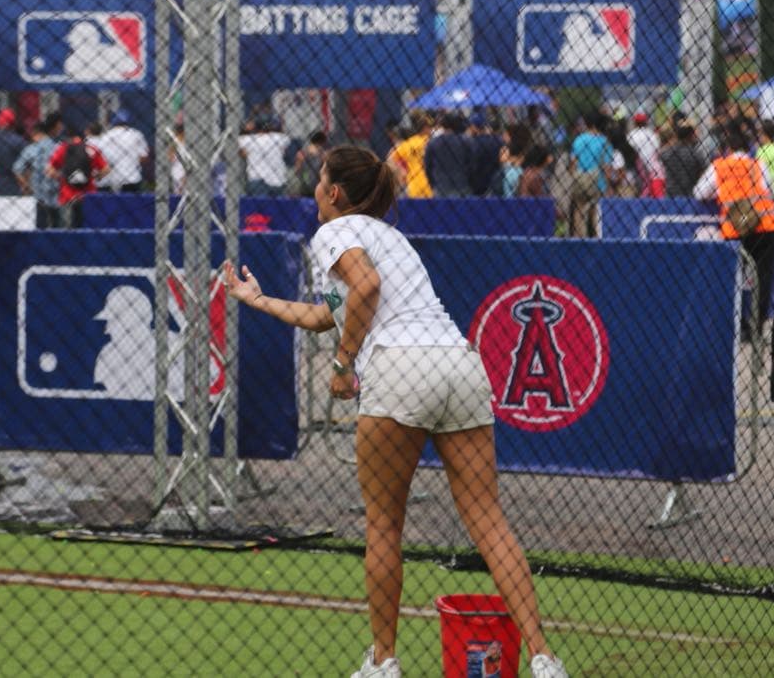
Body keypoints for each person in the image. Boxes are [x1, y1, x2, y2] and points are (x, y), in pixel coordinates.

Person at [220, 146, 568, 678]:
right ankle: (543, 659)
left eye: (319, 179)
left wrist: (342, 366)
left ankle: (384, 662)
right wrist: (258, 299)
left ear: (335, 192)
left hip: (400, 368)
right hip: (459, 363)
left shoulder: (333, 230)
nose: (314, 189)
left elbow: (366, 286)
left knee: (383, 524)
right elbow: (328, 314)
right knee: (488, 520)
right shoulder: (391, 237)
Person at [695, 126, 774, 355]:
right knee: (763, 278)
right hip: (764, 225)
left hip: (735, 229)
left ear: (728, 148)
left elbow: (699, 192)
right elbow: (769, 190)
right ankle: (757, 325)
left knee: (734, 277)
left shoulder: (719, 166)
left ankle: (738, 324)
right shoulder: (757, 164)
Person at [48, 129, 108, 227]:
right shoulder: (91, 149)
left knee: (67, 228)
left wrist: (64, 177)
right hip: (88, 195)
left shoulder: (63, 149)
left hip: (67, 195)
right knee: (88, 226)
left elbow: (49, 170)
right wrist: (94, 176)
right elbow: (106, 169)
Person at [566, 112, 612, 237]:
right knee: (596, 214)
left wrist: (574, 176)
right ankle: (596, 238)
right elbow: (606, 167)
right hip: (598, 182)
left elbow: (573, 163)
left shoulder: (579, 140)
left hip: (580, 180)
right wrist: (608, 187)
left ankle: (578, 238)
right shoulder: (604, 142)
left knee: (579, 212)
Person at [14, 117, 63, 228]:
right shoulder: (59, 147)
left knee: (40, 224)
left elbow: (17, 169)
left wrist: (26, 186)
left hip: (37, 194)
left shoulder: (31, 149)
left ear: (35, 133)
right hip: (56, 193)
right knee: (58, 225)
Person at [94, 109, 150, 193]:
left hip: (112, 180)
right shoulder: (136, 134)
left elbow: (100, 158)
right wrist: (132, 162)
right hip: (133, 178)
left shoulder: (106, 136)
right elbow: (144, 157)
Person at [238, 117, 290, 196]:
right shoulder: (279, 138)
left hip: (257, 179)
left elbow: (239, 146)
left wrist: (246, 130)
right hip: (278, 180)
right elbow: (285, 140)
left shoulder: (248, 139)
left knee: (258, 203)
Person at [386, 111, 433, 198]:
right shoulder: (432, 142)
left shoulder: (409, 143)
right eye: (430, 127)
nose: (431, 130)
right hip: (431, 187)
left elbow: (390, 158)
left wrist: (402, 172)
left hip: (413, 187)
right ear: (425, 128)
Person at [423, 112, 471, 197]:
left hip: (440, 187)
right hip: (462, 186)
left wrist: (433, 184)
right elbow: (471, 164)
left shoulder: (433, 143)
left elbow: (427, 166)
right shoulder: (465, 142)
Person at [660, 119, 707, 198]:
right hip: (690, 197)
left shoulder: (666, 153)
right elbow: (703, 174)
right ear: (691, 135)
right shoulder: (696, 154)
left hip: (670, 196)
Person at [627, 112, 664, 197]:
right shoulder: (652, 134)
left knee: (639, 193)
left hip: (637, 168)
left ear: (635, 122)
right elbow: (657, 150)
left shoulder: (631, 135)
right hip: (652, 168)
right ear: (646, 122)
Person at [290, 129, 328, 197]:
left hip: (305, 184)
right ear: (321, 142)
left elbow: (297, 171)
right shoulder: (323, 155)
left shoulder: (302, 153)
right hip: (317, 186)